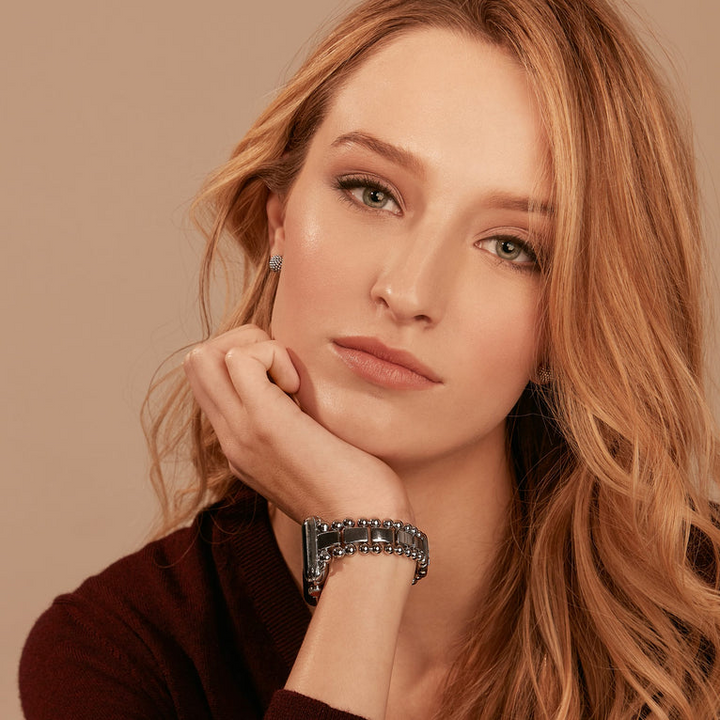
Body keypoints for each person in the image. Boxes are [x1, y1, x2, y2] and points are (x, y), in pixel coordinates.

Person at [19, 0, 720, 717]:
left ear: (575, 320)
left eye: (512, 247)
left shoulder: (704, 619)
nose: (408, 291)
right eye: (372, 193)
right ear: (278, 220)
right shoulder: (120, 656)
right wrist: (367, 551)